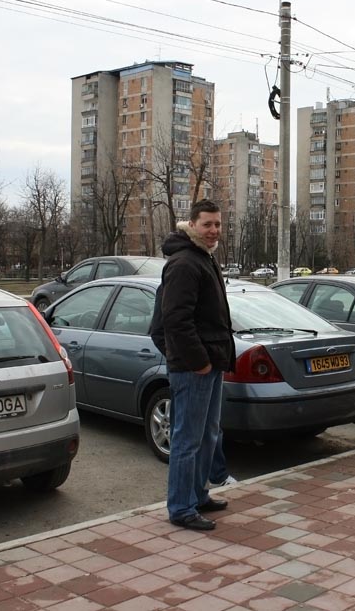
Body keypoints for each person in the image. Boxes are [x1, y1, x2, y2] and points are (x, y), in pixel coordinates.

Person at [150, 199, 234, 531]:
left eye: (218, 224)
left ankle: (198, 495)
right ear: (193, 224)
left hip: (211, 363)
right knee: (187, 439)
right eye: (207, 224)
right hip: (194, 368)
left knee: (207, 434)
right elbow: (175, 320)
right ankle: (181, 507)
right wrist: (198, 362)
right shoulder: (185, 262)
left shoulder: (203, 257)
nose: (214, 230)